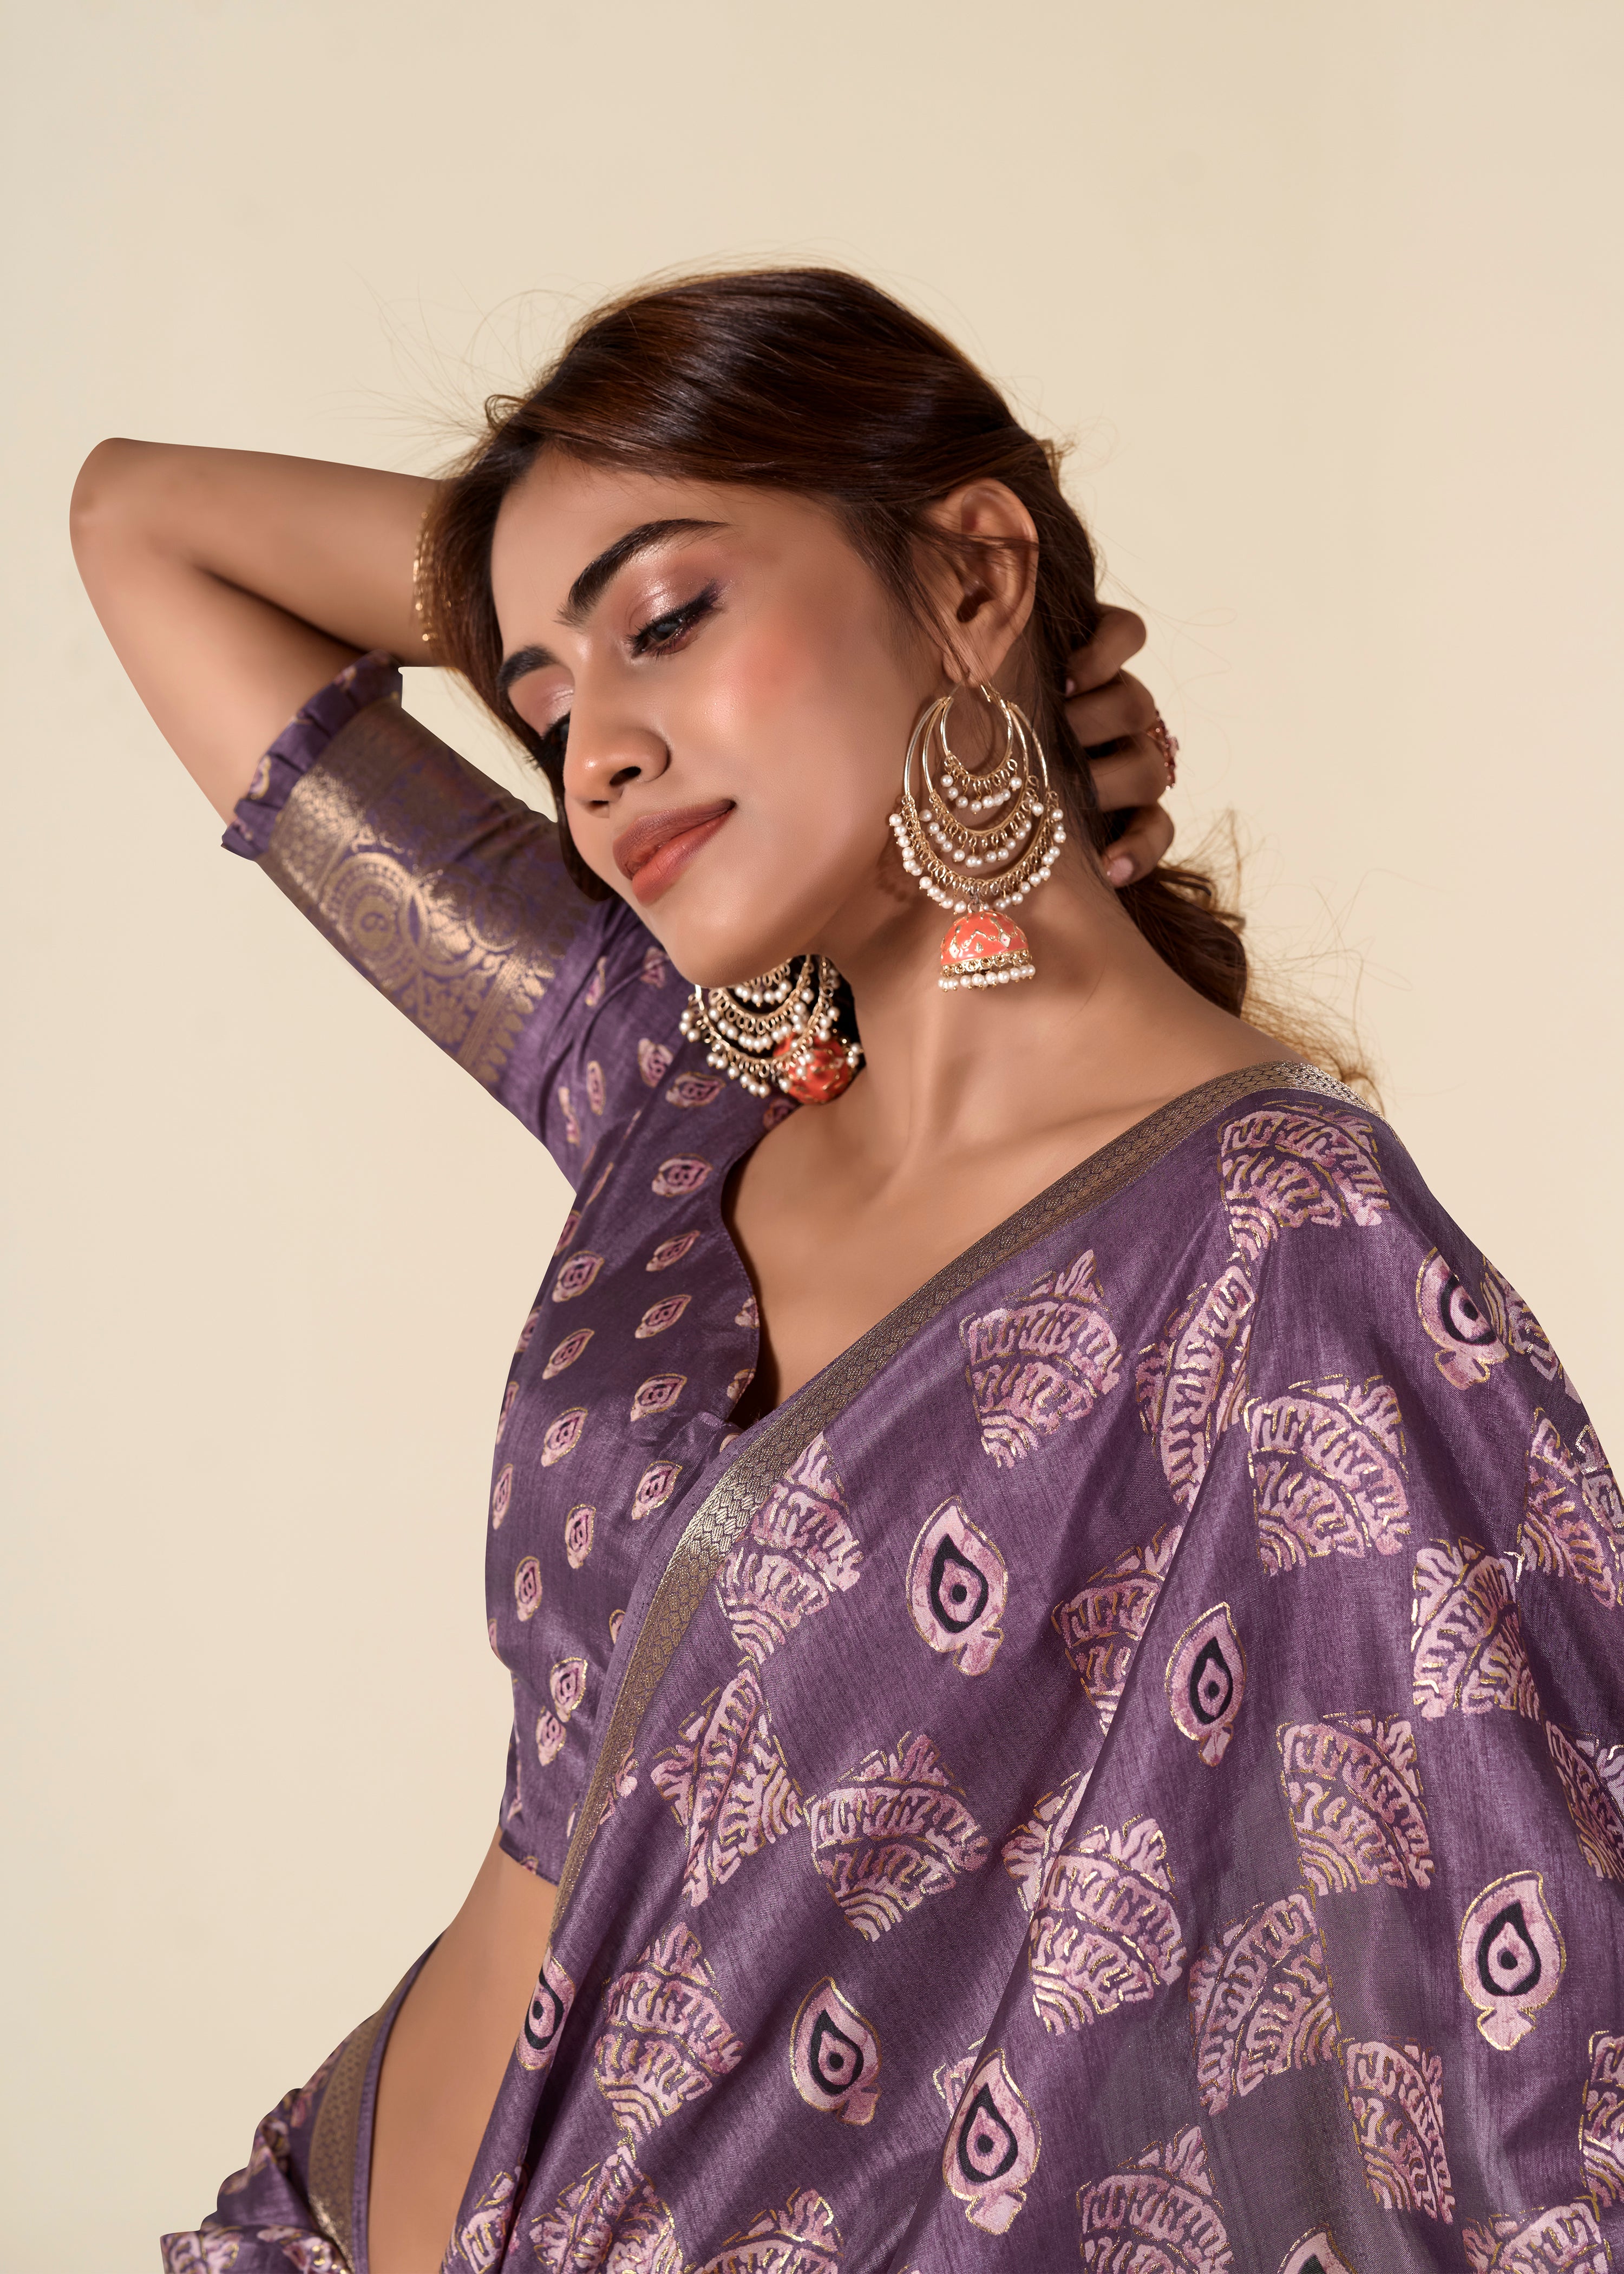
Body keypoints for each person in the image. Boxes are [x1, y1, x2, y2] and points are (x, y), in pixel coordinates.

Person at [72, 268, 1622, 2274]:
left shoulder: (1282, 1246)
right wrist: (636, 610)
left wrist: (963, 646)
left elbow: (1543, 2016)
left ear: (973, 567)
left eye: (669, 618)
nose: (592, 757)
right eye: (544, 705)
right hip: (319, 2219)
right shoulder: (686, 1086)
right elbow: (139, 525)